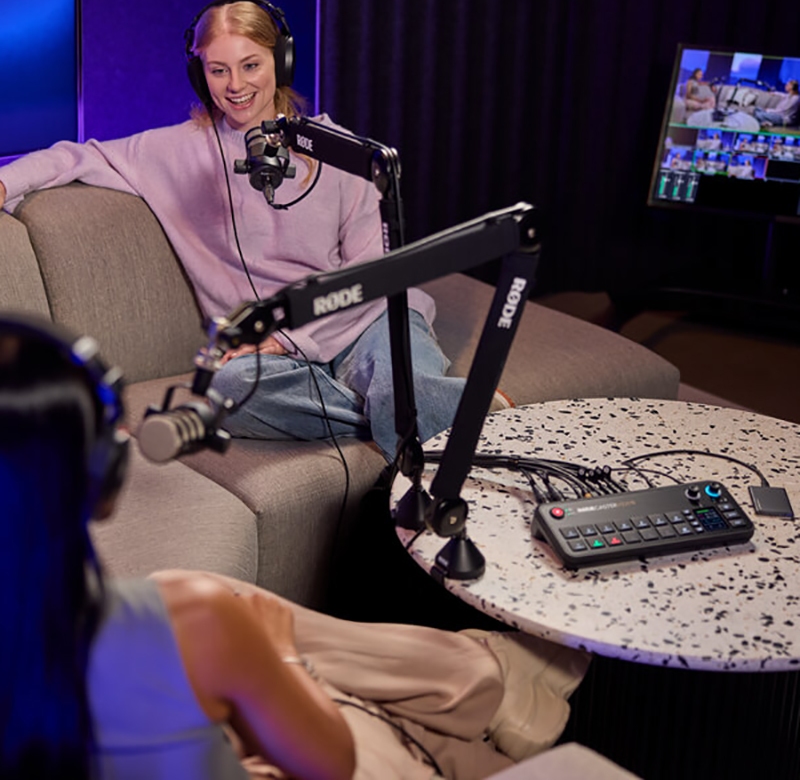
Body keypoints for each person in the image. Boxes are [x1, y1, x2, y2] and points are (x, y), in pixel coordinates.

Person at [0, 313, 593, 779]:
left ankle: (484, 680)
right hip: (311, 759)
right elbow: (330, 761)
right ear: (102, 479)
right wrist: (277, 657)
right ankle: (488, 681)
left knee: (221, 608)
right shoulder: (192, 621)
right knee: (323, 683)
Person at [0, 0, 471, 462]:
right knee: (231, 388)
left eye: (251, 65)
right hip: (272, 356)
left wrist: (287, 339)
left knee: (398, 385)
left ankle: (407, 410)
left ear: (280, 62)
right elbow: (77, 156)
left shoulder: (342, 151)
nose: (236, 85)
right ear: (199, 73)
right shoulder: (177, 152)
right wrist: (4, 184)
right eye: (218, 70)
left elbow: (371, 278)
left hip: (364, 320)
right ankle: (428, 412)